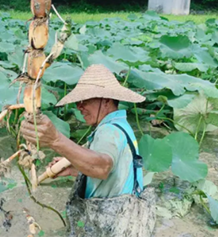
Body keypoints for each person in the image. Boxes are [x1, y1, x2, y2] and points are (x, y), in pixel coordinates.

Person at [20, 64, 156, 237]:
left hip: (115, 225)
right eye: (78, 101)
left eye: (85, 101)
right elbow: (118, 174)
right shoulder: (121, 125)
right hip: (133, 220)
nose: (79, 107)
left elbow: (103, 167)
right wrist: (76, 170)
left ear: (106, 100)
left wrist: (56, 140)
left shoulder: (109, 131)